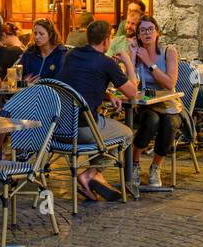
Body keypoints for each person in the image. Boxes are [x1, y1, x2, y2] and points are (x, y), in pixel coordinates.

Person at [54, 19, 138, 200]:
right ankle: (91, 173)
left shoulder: (71, 55)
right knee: (126, 134)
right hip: (83, 129)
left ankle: (95, 178)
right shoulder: (106, 63)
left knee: (103, 130)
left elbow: (76, 84)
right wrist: (128, 62)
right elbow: (133, 93)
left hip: (57, 128)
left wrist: (107, 95)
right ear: (106, 40)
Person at [131, 15, 178, 188]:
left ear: (157, 32)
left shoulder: (168, 52)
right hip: (145, 105)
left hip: (168, 105)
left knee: (169, 124)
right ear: (138, 35)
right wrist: (132, 55)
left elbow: (169, 83)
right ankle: (134, 163)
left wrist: (149, 62)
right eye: (142, 30)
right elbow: (131, 83)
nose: (147, 33)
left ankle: (155, 166)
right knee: (151, 121)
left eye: (150, 29)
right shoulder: (135, 54)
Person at [18, 18, 68, 82]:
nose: (37, 37)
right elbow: (17, 76)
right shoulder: (30, 52)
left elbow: (61, 81)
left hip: (50, 91)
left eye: (41, 34)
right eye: (35, 33)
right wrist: (23, 82)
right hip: (28, 90)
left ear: (50, 35)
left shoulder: (61, 54)